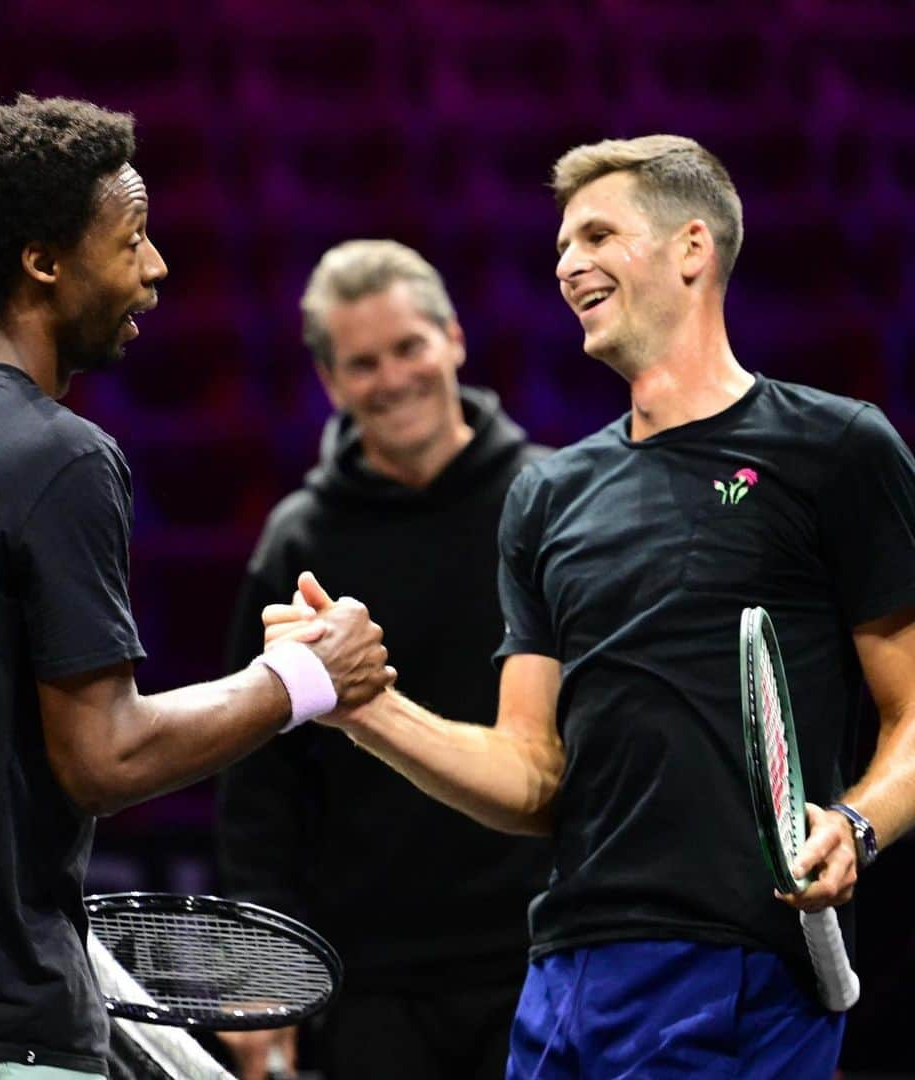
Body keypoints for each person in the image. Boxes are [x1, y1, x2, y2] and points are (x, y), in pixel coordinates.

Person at [263, 136, 915, 1078]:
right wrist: (361, 705)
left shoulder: (837, 448)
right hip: (563, 970)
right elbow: (533, 774)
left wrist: (855, 824)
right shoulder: (549, 495)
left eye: (598, 236)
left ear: (694, 247)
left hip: (741, 962)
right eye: (562, 246)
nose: (568, 265)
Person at [0, 94, 393, 1080]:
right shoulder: (65, 459)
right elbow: (104, 757)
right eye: (130, 240)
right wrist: (303, 679)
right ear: (45, 263)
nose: (156, 268)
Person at [215, 240, 552, 1080]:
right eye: (363, 362)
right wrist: (262, 968)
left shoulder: (553, 502)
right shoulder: (298, 540)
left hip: (545, 953)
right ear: (331, 383)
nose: (393, 377)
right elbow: (259, 789)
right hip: (367, 982)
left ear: (455, 339)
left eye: (409, 347)